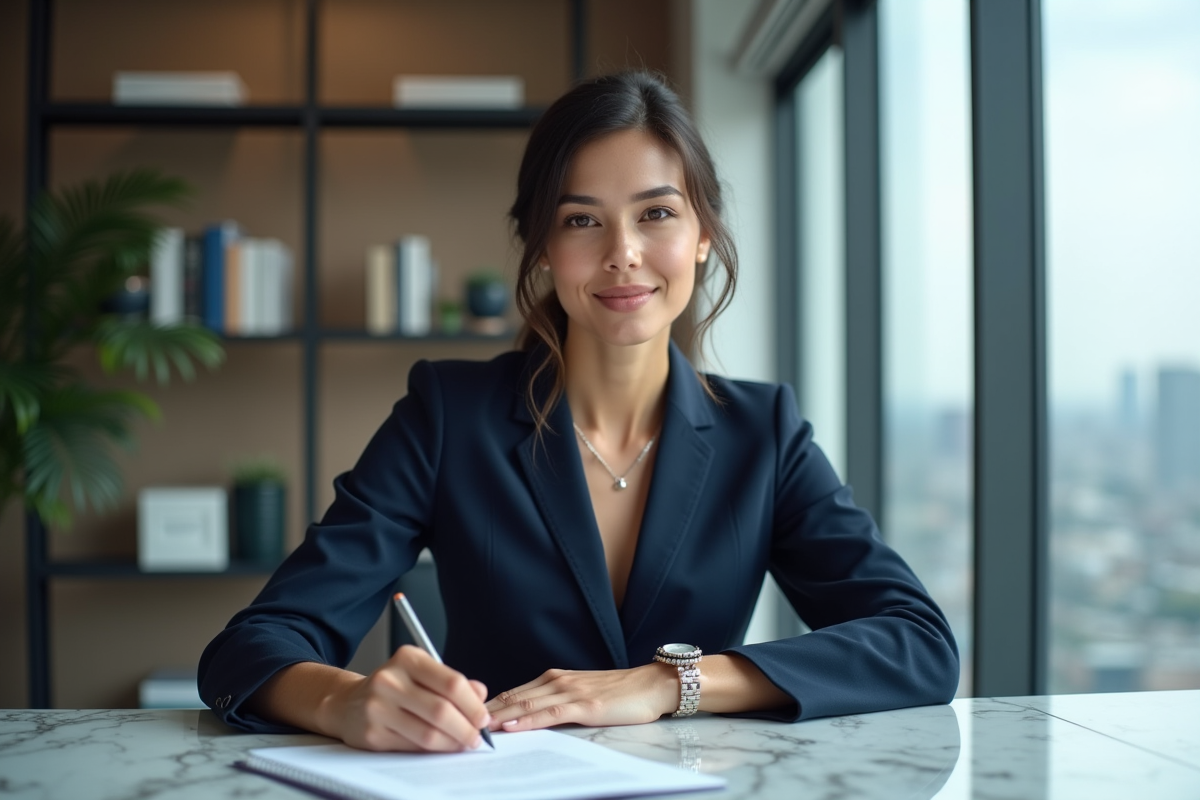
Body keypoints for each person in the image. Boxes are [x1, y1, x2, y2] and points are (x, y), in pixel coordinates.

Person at [199, 71, 958, 753]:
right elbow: (249, 650)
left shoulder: (766, 433)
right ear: (542, 250)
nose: (623, 253)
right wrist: (347, 700)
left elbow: (917, 644)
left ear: (702, 237)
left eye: (656, 213)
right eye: (582, 221)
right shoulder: (447, 414)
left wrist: (666, 684)